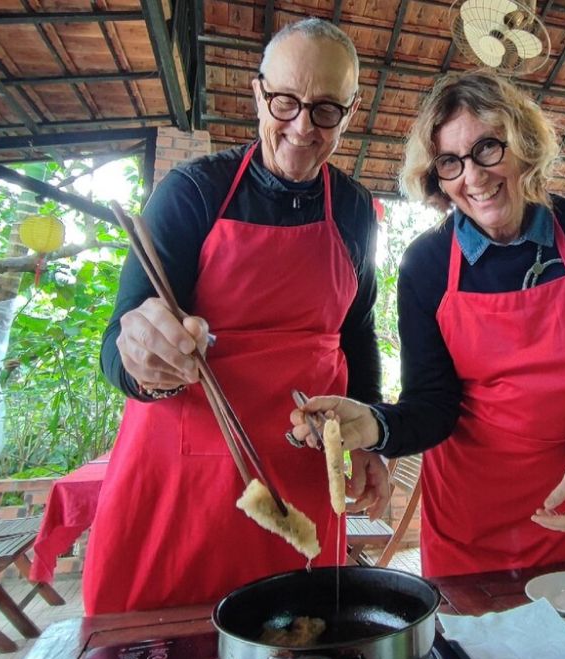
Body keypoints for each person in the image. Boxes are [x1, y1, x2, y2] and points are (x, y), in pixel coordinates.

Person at [292, 72, 565, 578]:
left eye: (488, 147)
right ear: (437, 176)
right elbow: (434, 405)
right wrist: (376, 425)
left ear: (524, 144)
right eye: (450, 162)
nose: (474, 177)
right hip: (468, 527)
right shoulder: (426, 264)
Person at [83, 18, 390, 614]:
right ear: (257, 94)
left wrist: (373, 439)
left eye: (326, 110)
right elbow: (117, 345)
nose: (303, 128)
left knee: (304, 638)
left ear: (350, 113)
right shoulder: (192, 192)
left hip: (303, 476)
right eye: (285, 102)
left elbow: (359, 334)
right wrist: (140, 354)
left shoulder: (353, 209)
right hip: (183, 482)